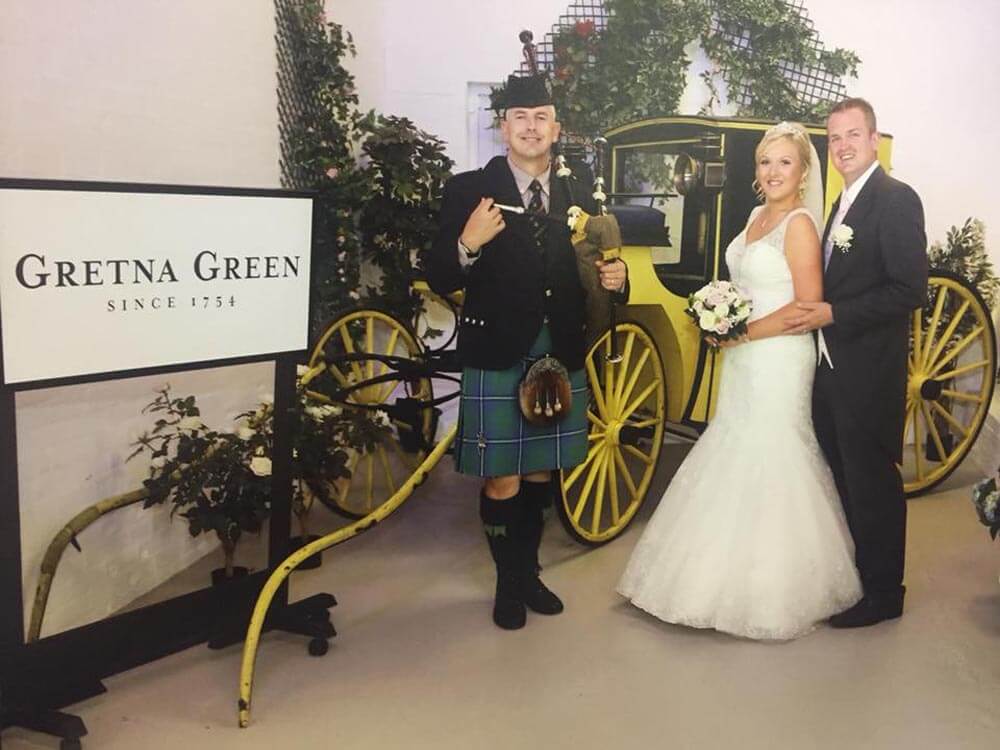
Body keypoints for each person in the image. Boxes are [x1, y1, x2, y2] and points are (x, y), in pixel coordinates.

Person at [617, 121, 862, 640]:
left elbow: (807, 307)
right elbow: (744, 283)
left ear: (802, 173)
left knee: (771, 451)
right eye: (765, 162)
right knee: (731, 442)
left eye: (784, 163)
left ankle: (772, 590)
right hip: (745, 353)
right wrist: (718, 315)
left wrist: (741, 331)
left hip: (777, 356)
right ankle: (706, 577)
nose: (773, 172)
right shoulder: (754, 216)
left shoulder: (798, 224)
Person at [426, 74, 629, 630]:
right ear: (503, 128)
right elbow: (438, 269)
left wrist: (618, 276)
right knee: (502, 479)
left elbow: (605, 266)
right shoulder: (469, 190)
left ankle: (529, 573)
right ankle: (507, 582)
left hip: (560, 345)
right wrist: (468, 241)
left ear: (556, 128)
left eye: (541, 117)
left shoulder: (579, 192)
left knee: (540, 474)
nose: (531, 127)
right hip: (498, 349)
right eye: (520, 117)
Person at [785, 98, 927, 628]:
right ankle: (861, 579)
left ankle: (885, 595)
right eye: (834, 138)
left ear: (873, 140)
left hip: (868, 372)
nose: (842, 146)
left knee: (873, 487)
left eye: (852, 135)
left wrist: (833, 313)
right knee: (846, 480)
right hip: (831, 370)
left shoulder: (894, 200)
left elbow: (908, 290)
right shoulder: (840, 205)